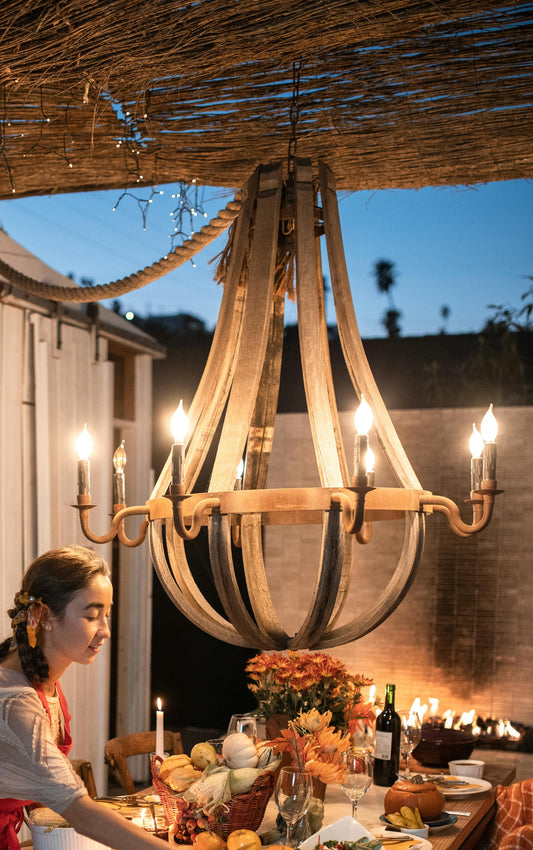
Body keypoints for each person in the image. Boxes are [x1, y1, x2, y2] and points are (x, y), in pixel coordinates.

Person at [0, 545, 166, 850]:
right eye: (92, 616)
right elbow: (81, 813)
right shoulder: (14, 702)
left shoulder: (44, 679)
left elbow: (45, 792)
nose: (105, 631)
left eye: (107, 615)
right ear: (44, 616)